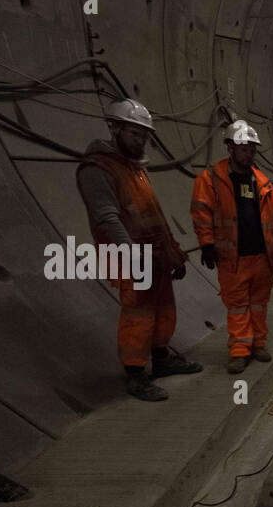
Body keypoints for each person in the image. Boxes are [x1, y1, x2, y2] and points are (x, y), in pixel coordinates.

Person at [76, 98, 200, 401]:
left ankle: (161, 359)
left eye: (144, 135)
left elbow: (153, 216)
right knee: (139, 314)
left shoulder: (134, 169)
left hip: (154, 256)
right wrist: (131, 255)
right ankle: (135, 374)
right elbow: (106, 217)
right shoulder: (98, 169)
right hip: (130, 256)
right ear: (114, 128)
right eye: (134, 133)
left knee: (163, 309)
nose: (141, 140)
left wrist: (173, 252)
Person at [190, 120, 273, 374]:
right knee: (237, 307)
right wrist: (206, 244)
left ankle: (258, 345)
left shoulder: (262, 182)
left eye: (252, 149)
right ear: (230, 148)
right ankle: (239, 351)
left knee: (258, 304)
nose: (249, 154)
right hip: (231, 257)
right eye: (243, 148)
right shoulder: (211, 180)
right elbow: (201, 213)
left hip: (261, 257)